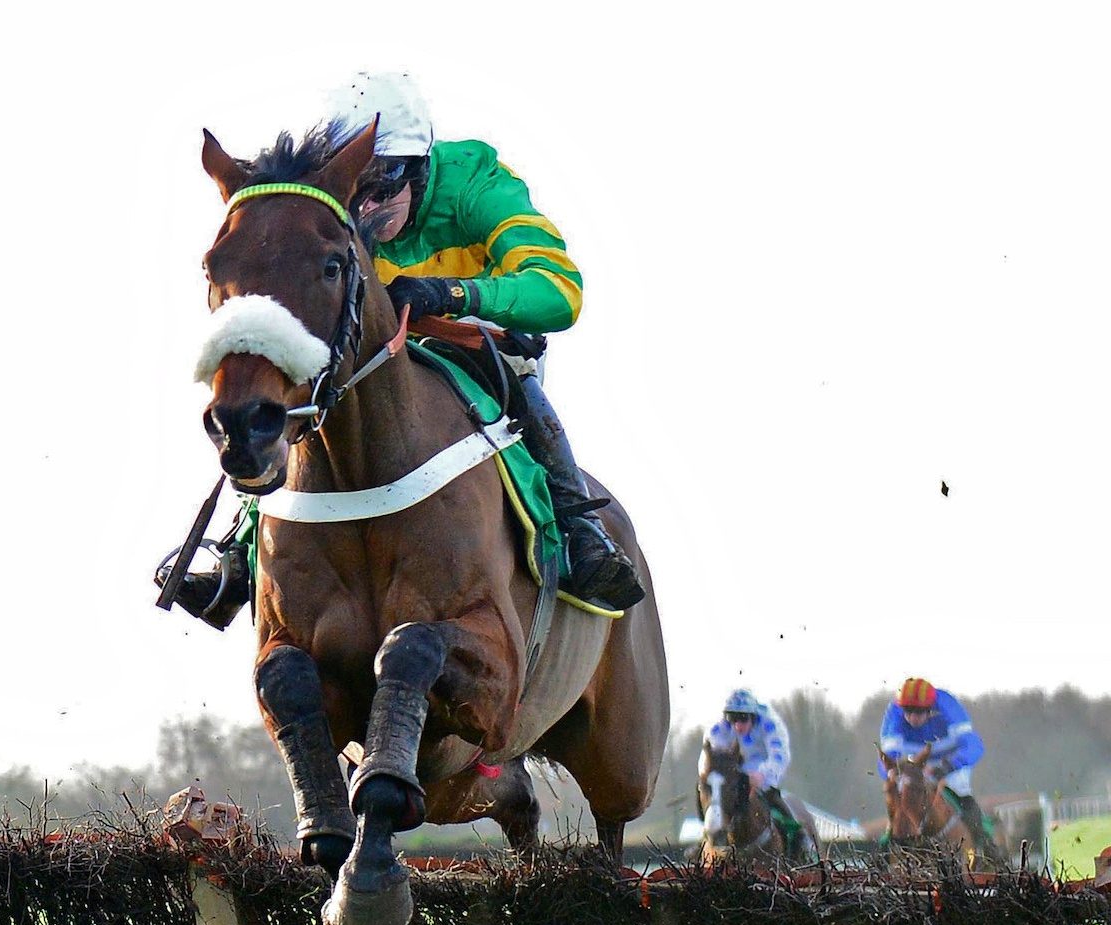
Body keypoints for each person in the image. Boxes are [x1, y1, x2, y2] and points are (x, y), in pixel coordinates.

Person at [160, 70, 645, 624]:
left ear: (418, 167)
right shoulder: (325, 204)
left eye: (382, 187)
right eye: (356, 191)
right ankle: (239, 550)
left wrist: (451, 293)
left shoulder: (475, 182)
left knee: (522, 388)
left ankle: (580, 531)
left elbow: (560, 292)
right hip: (373, 355)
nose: (367, 208)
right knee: (293, 398)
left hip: (476, 343)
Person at [879, 677, 994, 852]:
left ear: (930, 709)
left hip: (950, 763)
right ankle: (886, 848)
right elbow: (887, 757)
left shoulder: (949, 707)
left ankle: (985, 844)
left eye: (918, 712)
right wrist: (893, 772)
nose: (912, 718)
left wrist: (946, 767)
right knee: (899, 800)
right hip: (914, 765)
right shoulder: (894, 713)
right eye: (908, 711)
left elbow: (974, 747)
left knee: (962, 796)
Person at [703, 688, 812, 859]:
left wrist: (762, 774)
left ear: (753, 716)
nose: (737, 725)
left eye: (743, 719)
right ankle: (704, 839)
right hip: (735, 774)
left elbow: (780, 755)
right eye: (733, 718)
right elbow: (713, 758)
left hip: (763, 772)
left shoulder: (770, 725)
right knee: (707, 792)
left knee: (773, 799)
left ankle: (799, 836)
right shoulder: (718, 729)